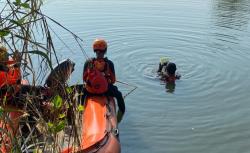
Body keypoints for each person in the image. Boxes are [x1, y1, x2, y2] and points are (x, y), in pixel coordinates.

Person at [82, 38, 125, 123]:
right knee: (119, 95)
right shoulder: (109, 63)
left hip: (90, 91)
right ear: (105, 51)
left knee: (80, 93)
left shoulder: (88, 62)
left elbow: (84, 79)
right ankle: (122, 112)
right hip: (105, 90)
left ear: (94, 50)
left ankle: (80, 112)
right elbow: (113, 81)